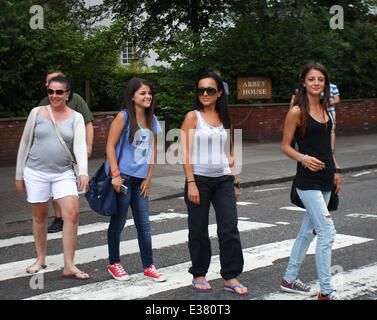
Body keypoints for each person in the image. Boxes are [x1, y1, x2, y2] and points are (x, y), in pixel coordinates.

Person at [15, 75, 90, 279]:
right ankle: (40, 259)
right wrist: (19, 174)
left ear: (67, 94)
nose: (54, 96)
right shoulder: (36, 113)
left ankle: (69, 265)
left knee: (72, 214)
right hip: (35, 172)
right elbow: (25, 143)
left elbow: (80, 146)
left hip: (63, 173)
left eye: (59, 92)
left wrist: (83, 172)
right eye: (51, 92)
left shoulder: (76, 117)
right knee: (40, 216)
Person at [180, 71, 248, 296]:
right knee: (198, 230)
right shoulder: (193, 117)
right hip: (199, 179)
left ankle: (230, 276)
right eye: (201, 90)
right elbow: (185, 152)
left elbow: (229, 150)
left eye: (210, 90)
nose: (205, 94)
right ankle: (199, 273)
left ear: (219, 93)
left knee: (229, 228)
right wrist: (191, 182)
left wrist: (235, 180)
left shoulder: (224, 117)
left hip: (224, 180)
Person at [280, 62, 342, 300]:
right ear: (303, 81)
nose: (316, 83)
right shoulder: (296, 111)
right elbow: (285, 146)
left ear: (325, 83)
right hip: (307, 180)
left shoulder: (327, 108)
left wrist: (336, 170)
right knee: (327, 232)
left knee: (308, 231)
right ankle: (326, 292)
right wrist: (303, 158)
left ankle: (289, 278)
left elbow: (327, 146)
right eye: (312, 79)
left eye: (321, 80)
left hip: (326, 177)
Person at [105, 77, 166, 282]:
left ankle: (148, 266)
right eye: (143, 93)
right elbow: (110, 146)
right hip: (122, 180)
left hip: (140, 181)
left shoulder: (152, 120)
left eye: (149, 93)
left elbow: (153, 150)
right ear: (132, 97)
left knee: (144, 225)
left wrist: (148, 178)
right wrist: (115, 174)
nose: (147, 96)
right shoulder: (123, 117)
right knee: (119, 222)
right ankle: (114, 263)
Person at [38, 70, 94, 233]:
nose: (51, 85)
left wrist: (88, 146)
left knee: (72, 184)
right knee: (53, 187)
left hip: (72, 153)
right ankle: (59, 218)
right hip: (52, 156)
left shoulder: (76, 100)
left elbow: (88, 123)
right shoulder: (43, 104)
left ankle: (70, 214)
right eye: (49, 82)